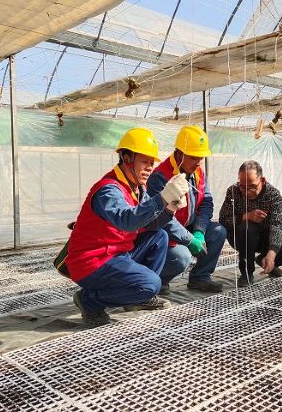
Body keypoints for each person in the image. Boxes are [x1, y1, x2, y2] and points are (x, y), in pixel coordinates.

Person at [65, 128, 189, 327]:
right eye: (145, 162)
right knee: (152, 284)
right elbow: (127, 220)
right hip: (92, 262)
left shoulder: (137, 188)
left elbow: (150, 223)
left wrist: (169, 209)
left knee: (159, 236)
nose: (149, 168)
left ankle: (139, 298)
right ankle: (89, 301)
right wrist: (163, 197)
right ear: (127, 158)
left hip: (116, 254)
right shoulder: (108, 190)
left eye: (151, 163)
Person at [147, 125, 227, 293]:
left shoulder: (198, 173)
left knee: (218, 232)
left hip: (188, 226)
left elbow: (206, 202)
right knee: (181, 256)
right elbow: (161, 218)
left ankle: (200, 278)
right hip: (165, 232)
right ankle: (157, 281)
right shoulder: (160, 177)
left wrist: (199, 231)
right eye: (194, 158)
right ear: (179, 153)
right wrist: (189, 239)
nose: (198, 162)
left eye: (201, 158)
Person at [219, 160, 282, 286]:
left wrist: (272, 253)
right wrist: (246, 216)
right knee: (247, 228)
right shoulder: (233, 191)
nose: (247, 192)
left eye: (252, 186)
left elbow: (277, 224)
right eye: (243, 187)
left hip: (263, 237)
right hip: (240, 237)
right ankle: (246, 272)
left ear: (263, 180)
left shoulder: (273, 195)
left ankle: (263, 261)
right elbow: (223, 219)